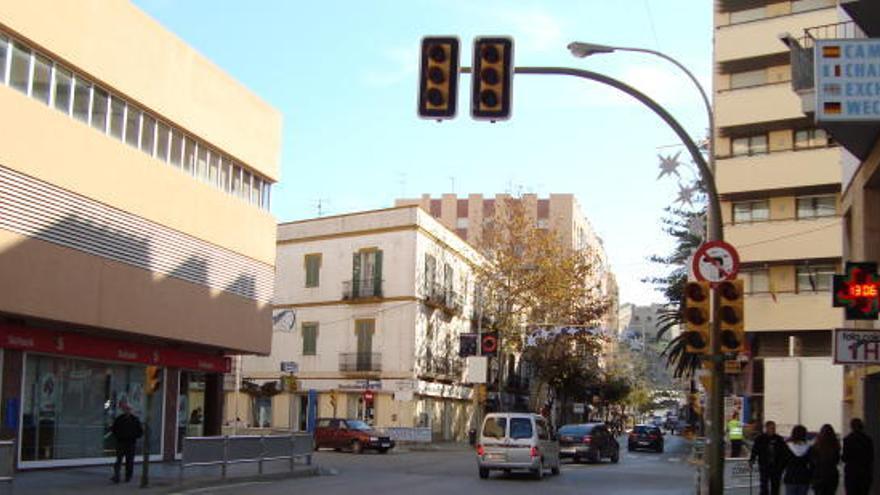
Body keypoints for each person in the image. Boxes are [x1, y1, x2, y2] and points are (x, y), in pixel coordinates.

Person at [750, 420, 787, 495]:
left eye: (774, 428)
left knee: (775, 486)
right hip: (764, 466)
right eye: (771, 428)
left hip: (776, 467)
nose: (773, 430)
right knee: (764, 485)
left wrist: (782, 465)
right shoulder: (760, 438)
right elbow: (755, 450)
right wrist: (752, 460)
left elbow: (784, 453)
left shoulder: (779, 439)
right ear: (766, 428)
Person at [110, 403, 143, 483]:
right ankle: (116, 476)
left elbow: (140, 431)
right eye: (126, 409)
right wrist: (118, 437)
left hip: (131, 443)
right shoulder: (119, 419)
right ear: (123, 410)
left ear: (131, 410)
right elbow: (114, 429)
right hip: (121, 442)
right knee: (119, 460)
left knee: (129, 461)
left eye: (128, 409)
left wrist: (134, 437)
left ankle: (128, 476)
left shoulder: (135, 420)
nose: (127, 411)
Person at [842, 418, 874, 495]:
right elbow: (871, 457)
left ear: (851, 427)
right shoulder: (867, 440)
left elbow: (845, 457)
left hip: (851, 473)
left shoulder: (847, 439)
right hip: (864, 473)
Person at [782, 424, 813, 495]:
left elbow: (783, 462)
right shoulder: (809, 448)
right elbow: (812, 464)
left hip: (790, 476)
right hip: (804, 477)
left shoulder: (787, 447)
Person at [810, 424, 841, 495]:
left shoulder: (815, 446)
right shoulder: (835, 446)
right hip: (831, 475)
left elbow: (812, 462)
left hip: (818, 474)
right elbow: (837, 460)